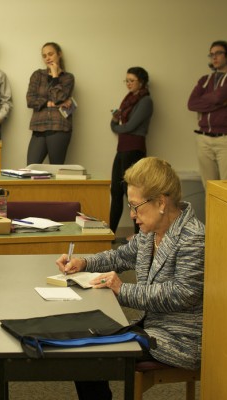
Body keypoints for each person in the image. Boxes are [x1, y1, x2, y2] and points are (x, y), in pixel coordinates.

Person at [56, 157, 205, 400]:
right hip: (152, 328)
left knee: (88, 355)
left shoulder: (193, 237)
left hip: (179, 340)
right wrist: (83, 262)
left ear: (160, 202)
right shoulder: (151, 231)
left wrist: (122, 290)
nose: (132, 215)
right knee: (83, 346)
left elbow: (182, 294)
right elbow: (120, 257)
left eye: (135, 206)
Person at [187, 40, 227, 188]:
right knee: (209, 188)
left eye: (218, 53)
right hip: (203, 139)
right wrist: (224, 103)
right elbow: (192, 104)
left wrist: (209, 101)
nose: (214, 57)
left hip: (226, 139)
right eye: (211, 54)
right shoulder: (204, 80)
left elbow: (218, 97)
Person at [109, 67, 153, 235]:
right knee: (116, 191)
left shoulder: (146, 100)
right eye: (126, 80)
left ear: (141, 82)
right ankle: (110, 233)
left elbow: (130, 126)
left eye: (131, 80)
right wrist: (117, 124)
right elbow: (121, 125)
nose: (128, 84)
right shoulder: (129, 98)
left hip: (134, 150)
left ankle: (139, 236)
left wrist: (116, 126)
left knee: (133, 195)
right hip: (122, 149)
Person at [26, 42, 75, 165]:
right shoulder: (37, 75)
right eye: (44, 56)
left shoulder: (68, 78)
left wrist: (55, 76)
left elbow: (58, 97)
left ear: (59, 54)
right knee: (30, 168)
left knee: (56, 169)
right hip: (39, 127)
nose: (47, 58)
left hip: (59, 127)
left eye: (50, 54)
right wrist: (49, 103)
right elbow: (30, 100)